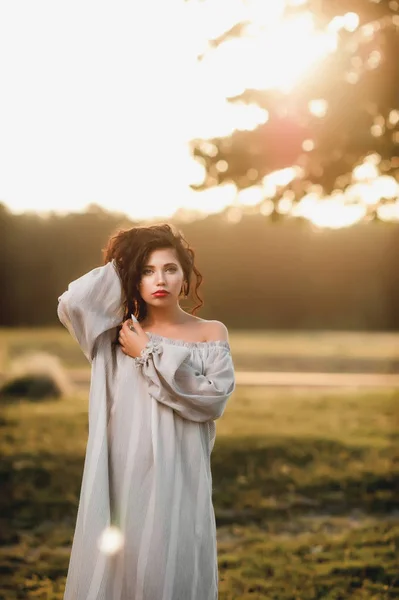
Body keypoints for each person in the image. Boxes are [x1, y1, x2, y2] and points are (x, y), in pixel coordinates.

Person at [57, 223, 236, 600]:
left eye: (170, 269)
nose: (160, 280)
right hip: (123, 474)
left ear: (185, 278)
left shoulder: (210, 333)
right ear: (132, 277)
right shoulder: (113, 336)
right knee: (121, 569)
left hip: (180, 472)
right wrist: (126, 258)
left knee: (172, 564)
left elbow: (212, 399)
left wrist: (149, 354)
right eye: (147, 270)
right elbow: (73, 303)